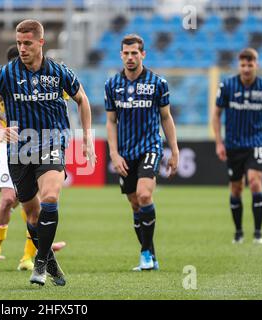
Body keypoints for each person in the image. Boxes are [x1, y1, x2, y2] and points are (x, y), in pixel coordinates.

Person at [0, 19, 96, 286]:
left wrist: (87, 137)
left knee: (51, 197)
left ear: (41, 43)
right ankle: (50, 263)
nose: (22, 48)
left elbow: (83, 99)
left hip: (52, 143)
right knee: (32, 214)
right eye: (19, 43)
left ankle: (40, 264)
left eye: (27, 43)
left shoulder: (58, 72)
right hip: (19, 152)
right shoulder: (7, 73)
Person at [0, 45, 66, 271]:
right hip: (11, 147)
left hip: (40, 144)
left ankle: (27, 254)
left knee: (29, 202)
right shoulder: (5, 79)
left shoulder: (45, 79)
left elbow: (65, 96)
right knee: (8, 198)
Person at [105, 34, 179, 271]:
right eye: (126, 53)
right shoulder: (112, 85)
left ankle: (145, 253)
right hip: (126, 153)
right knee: (135, 204)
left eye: (134, 53)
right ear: (121, 55)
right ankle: (151, 256)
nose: (130, 57)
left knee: (145, 195)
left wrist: (174, 151)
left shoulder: (158, 83)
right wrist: (114, 154)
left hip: (150, 147)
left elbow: (166, 118)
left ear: (143, 54)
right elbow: (111, 122)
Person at [212, 48, 262, 245]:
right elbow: (216, 115)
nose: (246, 69)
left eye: (250, 65)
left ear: (256, 65)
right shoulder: (227, 85)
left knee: (255, 182)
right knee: (236, 188)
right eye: (243, 65)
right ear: (239, 65)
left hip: (256, 142)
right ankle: (239, 232)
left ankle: (258, 233)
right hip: (233, 144)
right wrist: (219, 142)